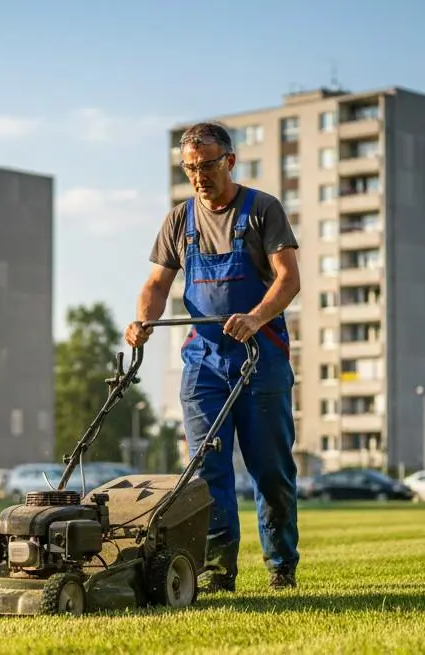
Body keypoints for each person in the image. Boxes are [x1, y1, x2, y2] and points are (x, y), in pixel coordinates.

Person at [125, 122, 301, 592]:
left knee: (271, 469)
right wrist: (142, 320)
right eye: (189, 168)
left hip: (261, 359)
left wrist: (257, 317)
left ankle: (281, 565)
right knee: (207, 472)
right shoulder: (179, 221)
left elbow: (288, 280)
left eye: (206, 165)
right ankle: (218, 572)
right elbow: (157, 285)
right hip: (203, 363)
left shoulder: (263, 209)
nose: (198, 176)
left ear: (229, 161)